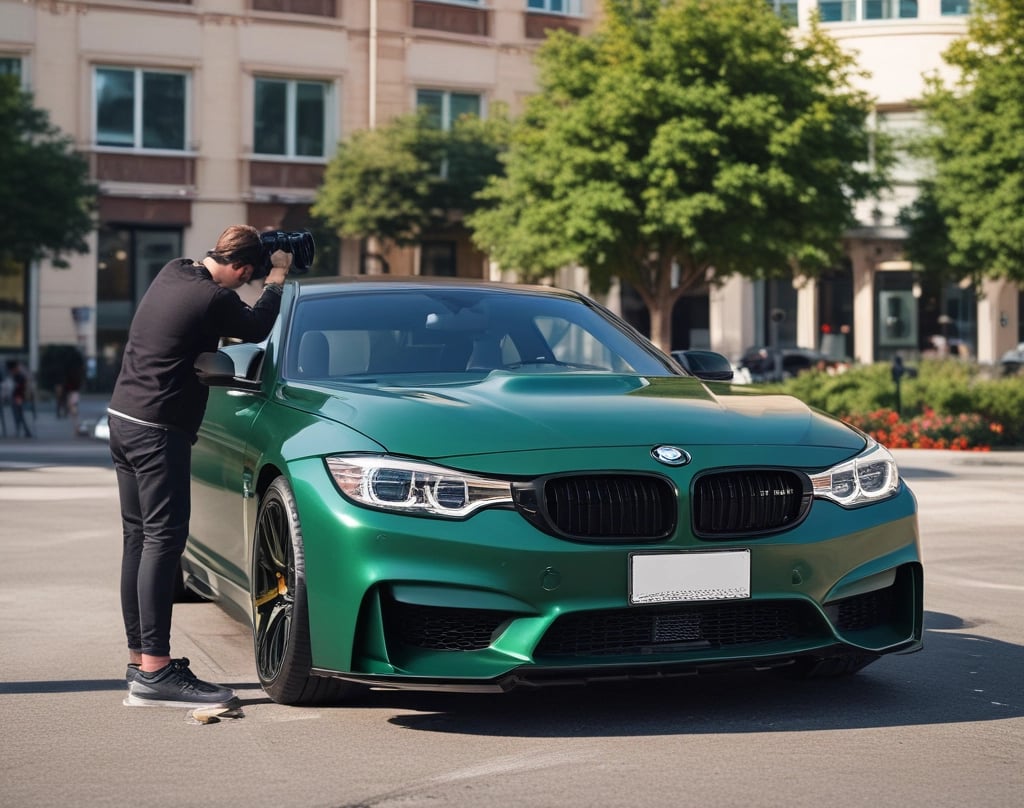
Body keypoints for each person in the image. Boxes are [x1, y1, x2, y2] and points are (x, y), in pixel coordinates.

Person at [108, 225, 291, 709]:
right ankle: (156, 671)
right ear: (243, 268)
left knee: (139, 539)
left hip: (124, 418)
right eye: (248, 276)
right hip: (157, 428)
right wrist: (278, 276)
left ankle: (141, 662)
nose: (245, 283)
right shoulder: (214, 297)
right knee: (164, 540)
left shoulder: (174, 271)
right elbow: (257, 326)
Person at [6, 359, 33, 438]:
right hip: (16, 397)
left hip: (18, 398)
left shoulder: (20, 377)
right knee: (18, 415)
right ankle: (24, 431)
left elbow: (19, 388)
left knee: (19, 415)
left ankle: (24, 431)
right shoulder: (16, 376)